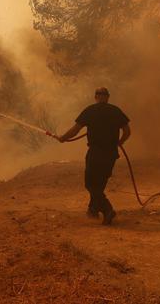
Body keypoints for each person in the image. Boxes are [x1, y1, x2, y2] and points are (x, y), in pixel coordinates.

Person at [49, 87, 131, 225]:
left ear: (96, 97)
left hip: (96, 152)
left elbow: (75, 130)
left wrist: (62, 138)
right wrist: (119, 143)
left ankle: (107, 209)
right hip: (111, 153)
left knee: (90, 184)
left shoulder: (90, 111)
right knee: (100, 183)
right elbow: (127, 131)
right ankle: (93, 210)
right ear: (108, 97)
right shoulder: (116, 111)